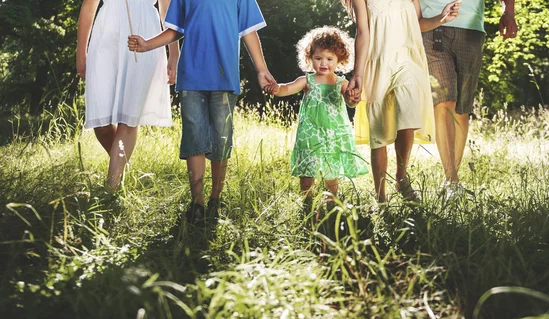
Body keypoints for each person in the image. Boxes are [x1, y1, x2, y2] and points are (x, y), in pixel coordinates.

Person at [127, 0, 276, 225]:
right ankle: (197, 203)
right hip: (191, 77)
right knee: (194, 137)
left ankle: (216, 200)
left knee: (221, 139)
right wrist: (148, 44)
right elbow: (175, 30)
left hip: (224, 77)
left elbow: (249, 31)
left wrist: (262, 69)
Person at [342, 0, 460, 203]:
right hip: (377, 61)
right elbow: (363, 33)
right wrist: (358, 73)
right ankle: (380, 198)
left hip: (408, 60)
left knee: (408, 114)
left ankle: (402, 177)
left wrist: (442, 18)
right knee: (378, 132)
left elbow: (418, 23)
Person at [263, 26, 368, 212]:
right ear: (310, 58)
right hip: (310, 133)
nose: (323, 63)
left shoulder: (341, 83)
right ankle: (306, 202)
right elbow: (287, 88)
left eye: (329, 59)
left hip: (334, 133)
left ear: (340, 59)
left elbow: (350, 103)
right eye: (318, 58)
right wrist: (275, 89)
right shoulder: (307, 80)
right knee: (307, 170)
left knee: (331, 170)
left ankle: (332, 204)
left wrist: (353, 99)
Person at [77, 0, 178, 191]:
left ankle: (112, 191)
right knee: (101, 124)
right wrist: (81, 51)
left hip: (145, 32)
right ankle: (123, 166)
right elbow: (89, 7)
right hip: (106, 36)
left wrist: (174, 53)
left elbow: (167, 10)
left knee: (129, 118)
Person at [420, 0, 518, 198]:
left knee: (461, 110)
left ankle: (452, 180)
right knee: (444, 101)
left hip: (471, 29)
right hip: (432, 25)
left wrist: (509, 12)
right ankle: (452, 180)